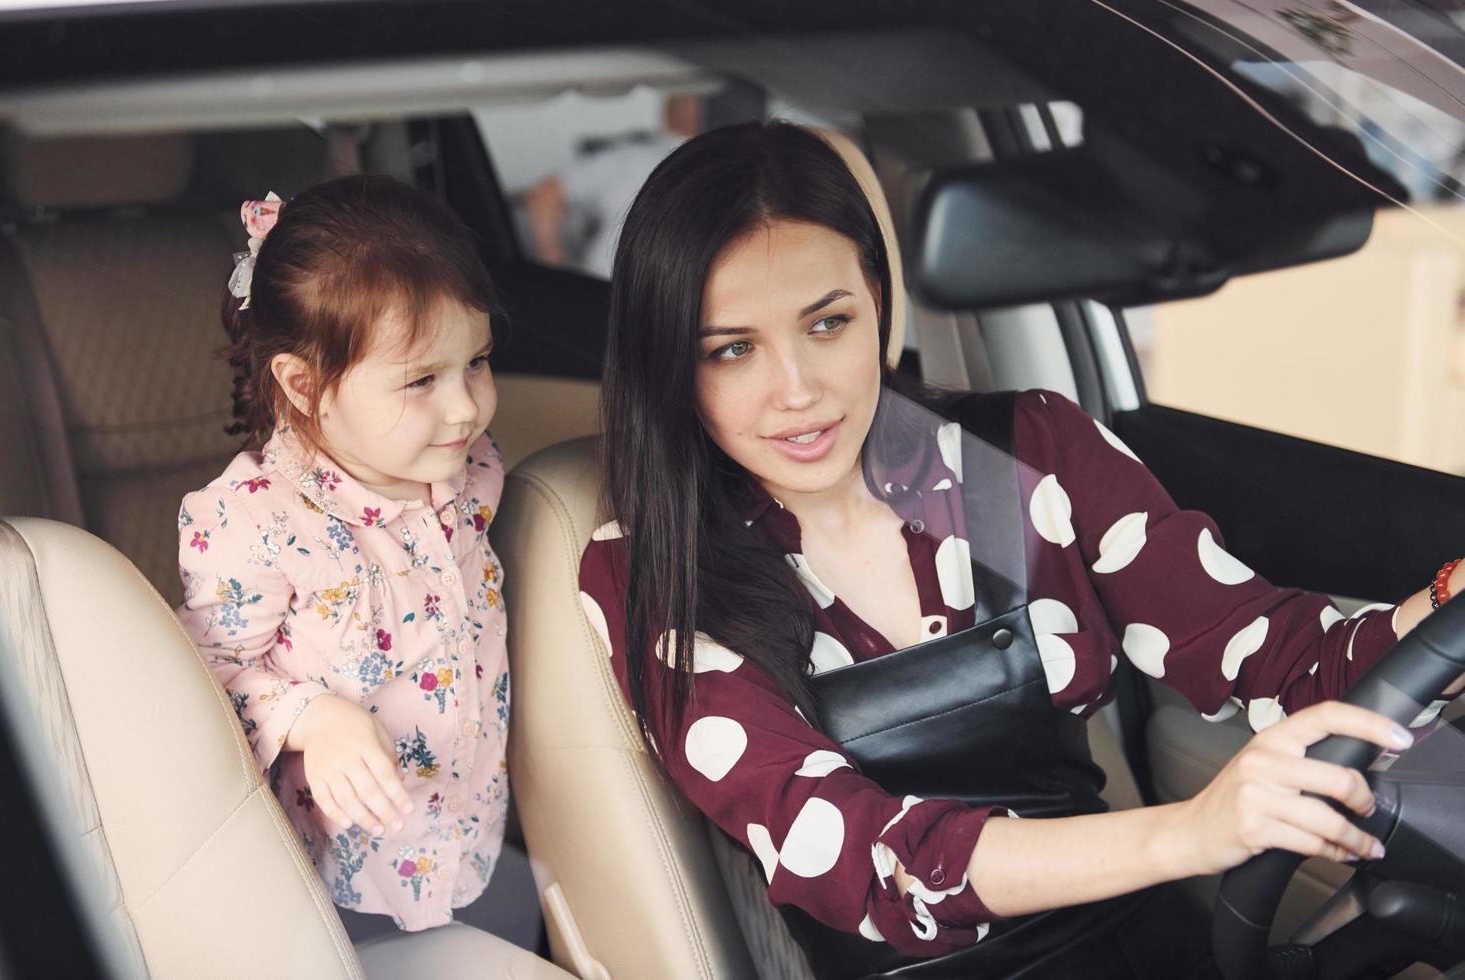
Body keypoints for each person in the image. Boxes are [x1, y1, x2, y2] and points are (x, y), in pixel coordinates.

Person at [576, 121, 1465, 978]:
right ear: (670, 364)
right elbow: (870, 860)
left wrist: (1448, 604)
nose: (797, 392)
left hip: (1149, 943)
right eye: (732, 350)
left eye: (827, 324)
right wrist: (1188, 833)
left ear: (878, 305)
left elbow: (1287, 664)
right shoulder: (651, 571)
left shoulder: (1031, 450)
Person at [175, 175, 510, 932]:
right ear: (303, 383)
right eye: (422, 379)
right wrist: (308, 716)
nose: (465, 407)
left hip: (468, 831)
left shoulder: (465, 467)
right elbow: (196, 678)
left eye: (477, 363)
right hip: (338, 881)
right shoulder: (255, 521)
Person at [525, 93, 702, 278]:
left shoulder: (634, 159)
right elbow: (546, 195)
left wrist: (554, 271)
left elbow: (544, 196)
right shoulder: (639, 159)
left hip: (604, 289)